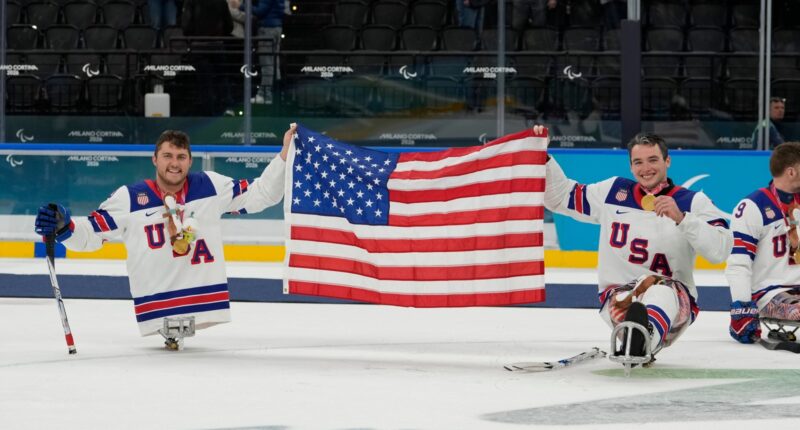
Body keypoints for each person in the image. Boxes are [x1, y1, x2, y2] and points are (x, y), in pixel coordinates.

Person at [34, 125, 296, 348]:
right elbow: (90, 236)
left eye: (181, 156)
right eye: (168, 155)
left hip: (204, 302)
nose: (174, 163)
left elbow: (262, 195)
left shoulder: (211, 186)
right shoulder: (129, 198)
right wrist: (64, 226)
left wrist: (285, 154)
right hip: (156, 308)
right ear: (154, 159)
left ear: (190, 161)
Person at [543, 129, 733, 364]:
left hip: (674, 301)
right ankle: (637, 336)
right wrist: (543, 158)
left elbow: (720, 250)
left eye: (653, 160)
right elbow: (560, 198)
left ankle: (643, 338)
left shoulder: (693, 202)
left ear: (667, 161)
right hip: (619, 297)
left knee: (660, 291)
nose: (646, 168)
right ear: (631, 167)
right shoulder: (613, 192)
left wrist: (683, 218)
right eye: (638, 162)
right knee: (632, 302)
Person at [725, 141, 800, 345]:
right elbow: (738, 263)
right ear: (791, 172)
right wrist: (742, 307)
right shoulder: (752, 206)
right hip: (769, 293)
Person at [243, 0, 284, 104]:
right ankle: (276, 94)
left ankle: (265, 95)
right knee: (274, 63)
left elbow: (260, 11)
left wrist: (241, 6)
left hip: (267, 29)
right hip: (276, 27)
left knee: (267, 64)